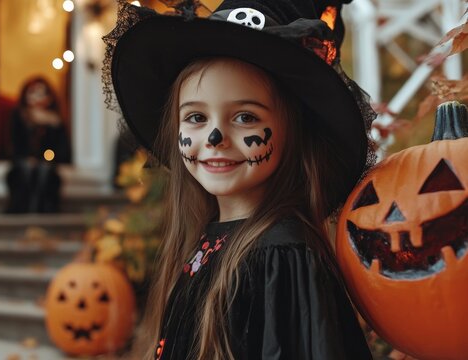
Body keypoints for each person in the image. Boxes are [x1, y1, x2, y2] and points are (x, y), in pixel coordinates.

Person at [104, 0, 376, 358]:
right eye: (196, 118)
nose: (215, 138)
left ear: (291, 130)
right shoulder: (209, 237)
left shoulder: (282, 256)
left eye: (246, 117)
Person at [5, 76, 71, 213]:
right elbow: (15, 143)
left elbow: (61, 148)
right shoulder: (19, 116)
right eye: (33, 92)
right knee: (25, 169)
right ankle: (23, 206)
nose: (37, 97)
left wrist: (49, 155)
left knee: (45, 171)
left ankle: (43, 206)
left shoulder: (55, 120)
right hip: (23, 160)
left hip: (47, 161)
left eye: (41, 93)